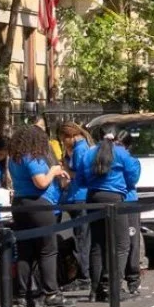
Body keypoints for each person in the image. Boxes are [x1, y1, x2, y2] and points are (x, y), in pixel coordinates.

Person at [7, 124, 73, 307]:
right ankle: (51, 293)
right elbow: (41, 182)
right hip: (38, 205)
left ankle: (22, 296)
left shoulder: (14, 159)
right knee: (47, 250)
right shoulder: (32, 157)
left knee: (25, 252)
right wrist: (53, 170)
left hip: (20, 205)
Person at [74, 130, 142, 302]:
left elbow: (80, 179)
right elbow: (133, 176)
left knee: (97, 244)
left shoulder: (89, 152)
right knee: (122, 244)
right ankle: (114, 288)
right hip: (114, 198)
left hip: (93, 198)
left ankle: (95, 290)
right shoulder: (120, 152)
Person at [56, 122, 94, 290]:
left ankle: (85, 276)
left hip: (78, 196)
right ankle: (85, 274)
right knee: (83, 237)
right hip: (77, 197)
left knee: (82, 238)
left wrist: (63, 170)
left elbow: (79, 174)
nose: (63, 143)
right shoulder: (83, 147)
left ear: (68, 136)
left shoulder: (80, 149)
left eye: (63, 140)